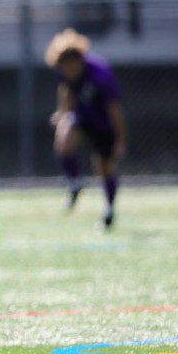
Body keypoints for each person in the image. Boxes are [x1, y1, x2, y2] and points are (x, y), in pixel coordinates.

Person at [47, 28, 126, 229]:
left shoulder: (101, 75)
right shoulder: (65, 72)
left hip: (103, 123)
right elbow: (66, 89)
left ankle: (109, 208)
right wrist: (63, 112)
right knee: (63, 141)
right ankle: (75, 183)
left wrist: (120, 139)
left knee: (104, 167)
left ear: (78, 61)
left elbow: (114, 109)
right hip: (82, 118)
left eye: (68, 67)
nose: (66, 71)